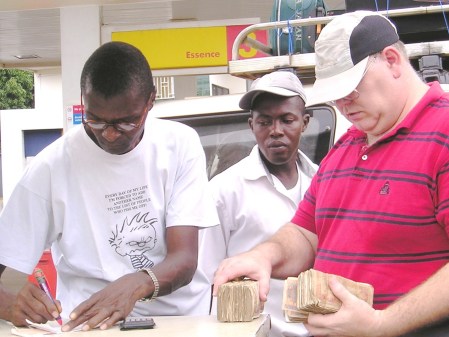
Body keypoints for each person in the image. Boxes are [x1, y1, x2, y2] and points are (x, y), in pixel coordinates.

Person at [213, 11, 449, 337]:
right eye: (336, 94)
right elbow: (306, 234)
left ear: (393, 61)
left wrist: (382, 325)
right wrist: (264, 256)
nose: (343, 103)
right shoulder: (346, 145)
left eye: (351, 88)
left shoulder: (444, 132)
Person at [0, 41, 217, 331]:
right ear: (83, 99)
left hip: (179, 324)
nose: (110, 135)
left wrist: (133, 285)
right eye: (95, 120)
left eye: (127, 123)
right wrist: (7, 303)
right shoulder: (49, 168)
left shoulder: (179, 145)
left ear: (150, 101)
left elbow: (184, 260)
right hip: (90, 327)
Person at [201, 70, 317, 337]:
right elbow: (206, 280)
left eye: (287, 120)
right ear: (251, 125)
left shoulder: (322, 181)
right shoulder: (224, 190)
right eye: (264, 122)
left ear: (305, 122)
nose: (275, 131)